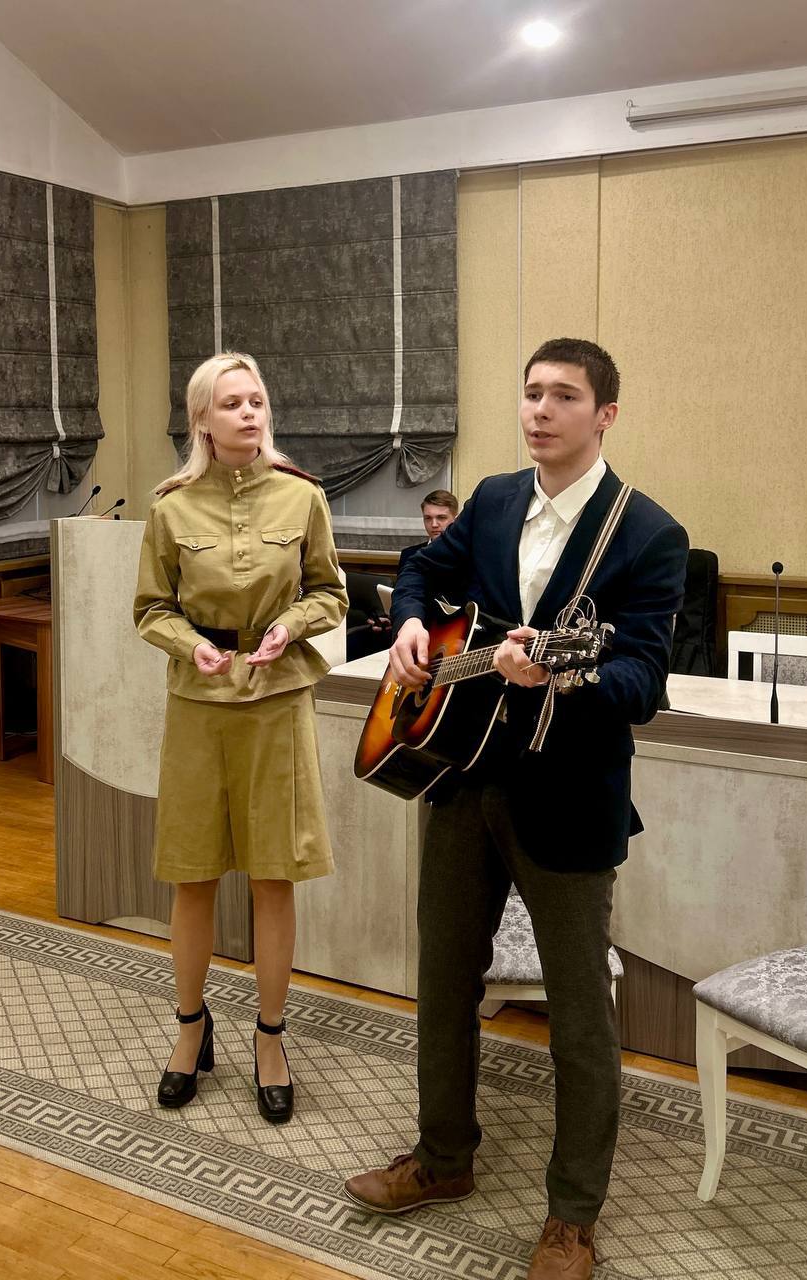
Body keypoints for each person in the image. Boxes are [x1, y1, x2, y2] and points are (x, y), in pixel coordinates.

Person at [344, 338, 688, 1279]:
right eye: (531, 392)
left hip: (569, 801)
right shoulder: (494, 499)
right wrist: (409, 623)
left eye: (563, 396)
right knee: (443, 981)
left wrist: (565, 677)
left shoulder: (646, 533)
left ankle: (572, 1217)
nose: (539, 409)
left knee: (579, 1017)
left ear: (604, 415)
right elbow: (420, 568)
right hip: (462, 779)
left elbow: (642, 680)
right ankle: (442, 1158)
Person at [133, 351, 347, 1125]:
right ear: (202, 420)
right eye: (232, 403)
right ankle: (191, 1029)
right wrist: (188, 644)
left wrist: (290, 623)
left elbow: (330, 593)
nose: (249, 412)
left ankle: (269, 1038)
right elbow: (150, 608)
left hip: (277, 699)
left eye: (256, 400)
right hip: (198, 703)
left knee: (271, 876)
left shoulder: (302, 497)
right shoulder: (170, 508)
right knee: (191, 876)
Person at [397, 488, 460, 571]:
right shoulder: (409, 555)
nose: (434, 525)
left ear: (455, 520)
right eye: (428, 518)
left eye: (441, 517)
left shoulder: (467, 555)